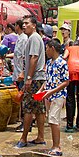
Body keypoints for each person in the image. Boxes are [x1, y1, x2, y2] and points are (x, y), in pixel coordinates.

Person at [16, 16, 47, 148]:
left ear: (34, 25)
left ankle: (23, 138)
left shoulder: (34, 38)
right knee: (39, 109)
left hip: (35, 79)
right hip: (38, 78)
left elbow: (34, 58)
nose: (24, 26)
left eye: (26, 23)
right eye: (23, 24)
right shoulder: (33, 38)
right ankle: (40, 137)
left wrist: (29, 78)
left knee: (28, 108)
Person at [42, 39, 69, 156]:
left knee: (54, 120)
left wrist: (52, 91)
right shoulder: (49, 63)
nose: (46, 51)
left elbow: (66, 82)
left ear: (52, 48)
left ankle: (57, 147)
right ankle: (54, 145)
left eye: (47, 48)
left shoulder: (62, 63)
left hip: (58, 95)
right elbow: (47, 79)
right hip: (48, 95)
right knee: (51, 119)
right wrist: (41, 90)